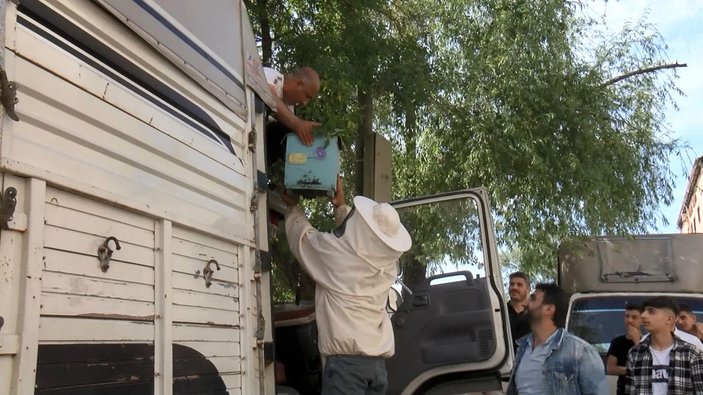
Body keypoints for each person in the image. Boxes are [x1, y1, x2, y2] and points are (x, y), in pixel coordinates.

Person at [283, 176, 412, 395]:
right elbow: (358, 244)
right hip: (377, 368)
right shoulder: (387, 266)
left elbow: (303, 240)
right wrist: (340, 207)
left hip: (346, 369)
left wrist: (292, 208)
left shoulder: (336, 257)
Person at [506, 283, 606, 395]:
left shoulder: (580, 351)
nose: (526, 303)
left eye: (533, 299)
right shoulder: (523, 348)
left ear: (549, 309)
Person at [625, 296, 703, 394]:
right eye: (643, 311)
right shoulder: (634, 353)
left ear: (670, 319)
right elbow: (631, 391)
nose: (643, 315)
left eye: (651, 311)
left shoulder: (691, 353)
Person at [264, 66, 320, 165]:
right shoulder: (271, 75)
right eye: (307, 96)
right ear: (299, 84)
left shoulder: (289, 110)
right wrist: (296, 123)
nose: (304, 103)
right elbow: (269, 97)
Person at [606, 303, 642, 395]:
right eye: (627, 316)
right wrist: (633, 370)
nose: (629, 320)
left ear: (641, 320)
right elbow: (610, 368)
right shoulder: (617, 342)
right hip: (623, 390)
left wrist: (637, 341)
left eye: (634, 317)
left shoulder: (649, 340)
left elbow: (649, 366)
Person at [507, 272, 531, 351]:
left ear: (528, 289)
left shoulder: (535, 313)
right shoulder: (500, 311)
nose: (514, 287)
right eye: (512, 284)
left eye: (519, 285)